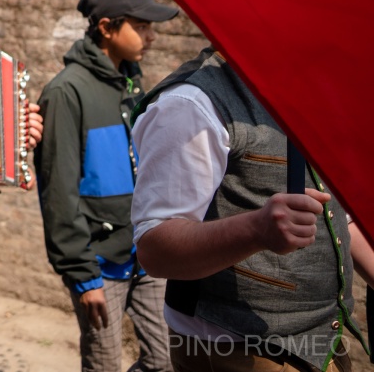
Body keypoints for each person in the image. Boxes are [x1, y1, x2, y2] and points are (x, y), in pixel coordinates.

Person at [133, 48, 373, 372]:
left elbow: (336, 216)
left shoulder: (307, 87)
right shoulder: (191, 104)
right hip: (236, 352)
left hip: (321, 342)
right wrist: (257, 229)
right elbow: (155, 249)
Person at [34, 0, 177, 372]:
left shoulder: (132, 83)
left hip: (145, 256)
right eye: (142, 26)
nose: (151, 37)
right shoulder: (66, 92)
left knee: (166, 360)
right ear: (107, 28)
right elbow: (58, 192)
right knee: (103, 366)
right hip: (99, 267)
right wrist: (83, 277)